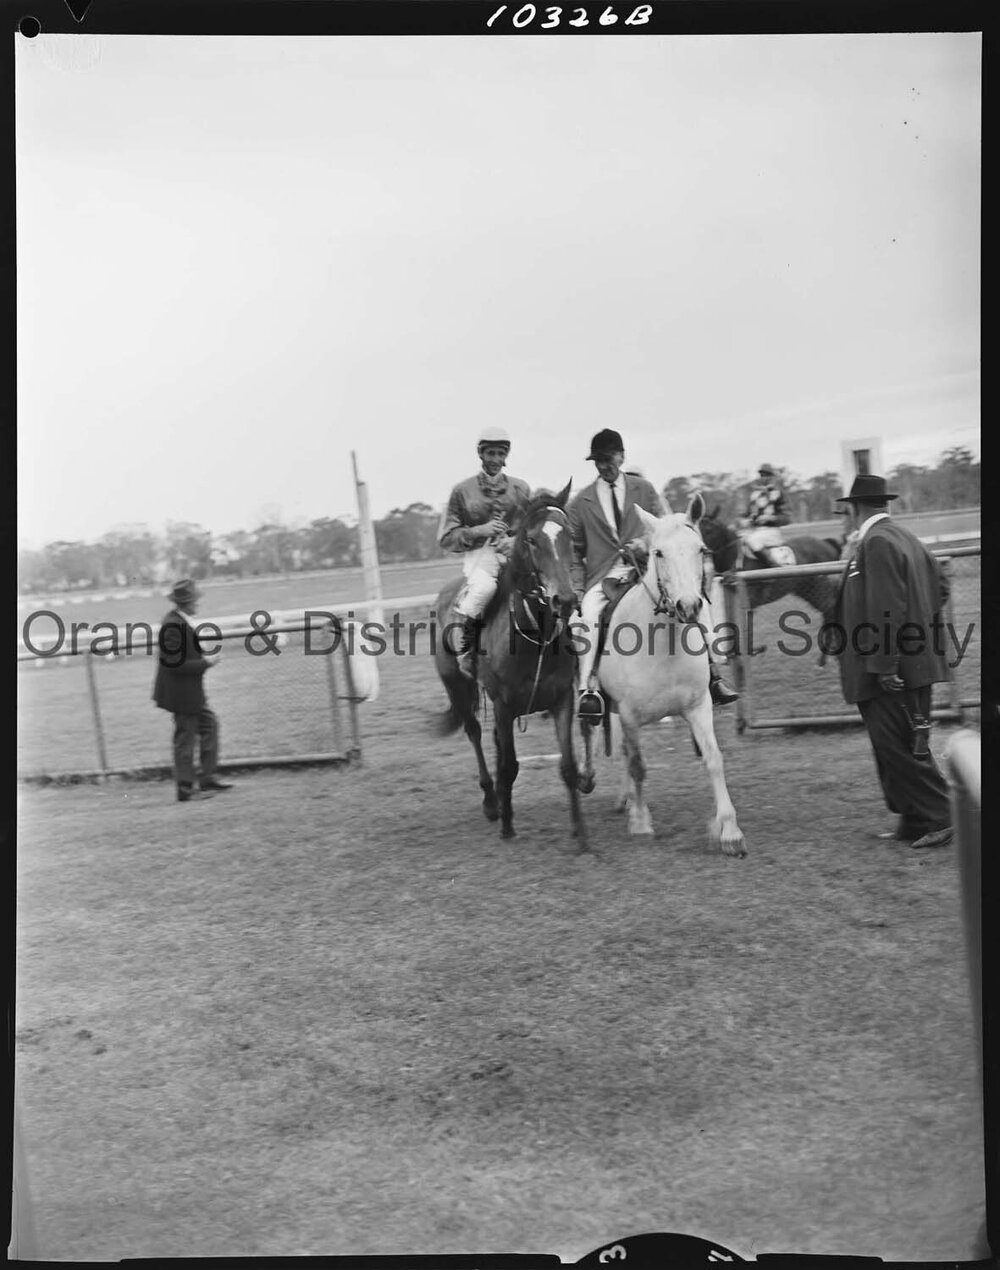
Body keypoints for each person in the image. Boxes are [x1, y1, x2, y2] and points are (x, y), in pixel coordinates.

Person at [568, 428, 739, 719]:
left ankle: (713, 674)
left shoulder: (645, 490)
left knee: (693, 600)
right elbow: (574, 550)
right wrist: (579, 588)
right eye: (597, 461)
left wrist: (645, 543)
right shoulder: (581, 502)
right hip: (603, 575)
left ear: (621, 457)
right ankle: (589, 689)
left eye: (608, 458)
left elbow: (670, 528)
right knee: (589, 615)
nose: (603, 465)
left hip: (648, 570)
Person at [823, 474, 953, 849]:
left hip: (888, 667)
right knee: (897, 744)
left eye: (846, 511)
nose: (845, 518)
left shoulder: (876, 543)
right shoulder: (905, 536)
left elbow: (885, 606)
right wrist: (918, 629)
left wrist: (884, 664)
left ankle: (943, 814)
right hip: (910, 661)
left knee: (899, 745)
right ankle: (914, 820)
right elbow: (940, 587)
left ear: (855, 508)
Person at [438, 427, 531, 678]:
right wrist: (481, 530)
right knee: (484, 589)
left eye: (500, 453)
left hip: (515, 556)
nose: (494, 459)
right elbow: (447, 538)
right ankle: (465, 646)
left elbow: (530, 529)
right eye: (489, 453)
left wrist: (513, 542)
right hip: (480, 559)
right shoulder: (462, 491)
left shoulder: (521, 489)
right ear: (480, 454)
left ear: (506, 455)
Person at [152, 579, 234, 802]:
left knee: (209, 725)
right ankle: (186, 789)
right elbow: (173, 663)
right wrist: (207, 662)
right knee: (185, 739)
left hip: (190, 691)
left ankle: (207, 778)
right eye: (195, 600)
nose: (198, 603)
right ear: (186, 602)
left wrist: (201, 657)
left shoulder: (181, 620)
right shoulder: (173, 624)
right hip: (181, 694)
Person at [740, 463, 794, 566]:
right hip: (754, 530)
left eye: (767, 475)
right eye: (761, 475)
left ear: (772, 476)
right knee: (737, 541)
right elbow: (745, 514)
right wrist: (745, 520)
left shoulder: (779, 493)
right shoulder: (754, 495)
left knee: (752, 540)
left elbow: (787, 518)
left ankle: (774, 566)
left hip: (771, 531)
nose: (764, 478)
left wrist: (771, 518)